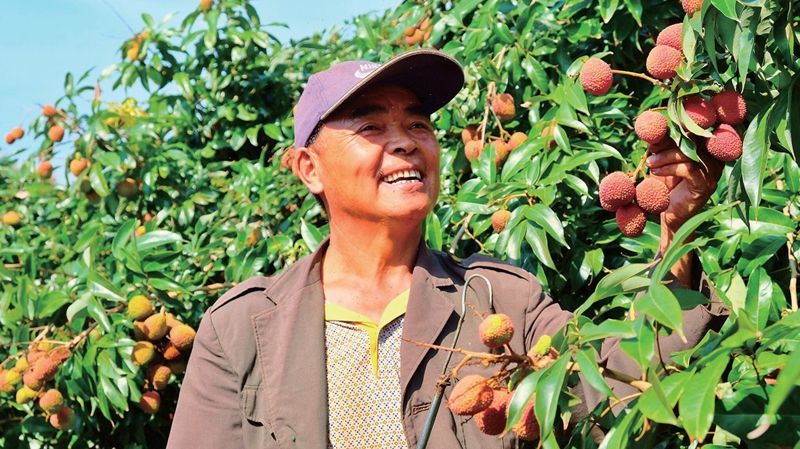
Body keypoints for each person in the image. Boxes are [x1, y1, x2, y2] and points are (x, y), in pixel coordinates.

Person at [167, 49, 725, 448]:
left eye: (418, 124)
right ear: (309, 168)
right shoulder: (239, 328)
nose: (405, 141)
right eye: (370, 127)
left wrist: (677, 230)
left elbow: (618, 388)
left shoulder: (503, 297)